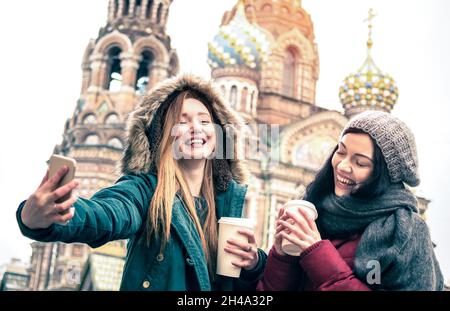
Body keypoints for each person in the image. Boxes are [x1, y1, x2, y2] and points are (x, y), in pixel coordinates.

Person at [17, 74, 267, 291]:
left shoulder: (227, 203)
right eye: (182, 121)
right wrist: (47, 216)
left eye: (204, 121)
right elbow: (109, 213)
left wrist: (253, 264)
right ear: (162, 135)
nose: (195, 128)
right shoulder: (147, 192)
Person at [257, 110, 444, 291]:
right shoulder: (316, 207)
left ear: (384, 174)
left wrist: (317, 253)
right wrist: (280, 257)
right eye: (341, 152)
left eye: (360, 162)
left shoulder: (406, 229)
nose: (343, 166)